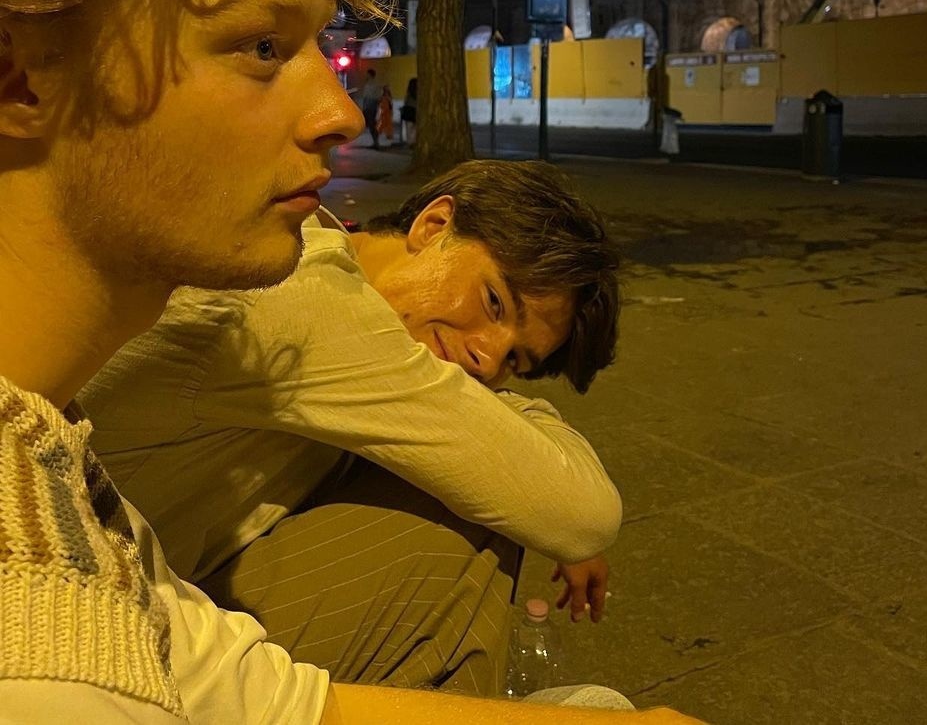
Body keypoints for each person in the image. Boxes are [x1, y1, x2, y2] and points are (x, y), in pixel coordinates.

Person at [0, 0, 705, 725]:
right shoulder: (50, 649)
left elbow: (246, 688)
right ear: (20, 72)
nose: (341, 114)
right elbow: (576, 505)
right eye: (262, 45)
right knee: (461, 521)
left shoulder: (49, 452)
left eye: (517, 361)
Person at [81, 160, 622, 694]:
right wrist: (537, 469)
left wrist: (527, 474)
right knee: (461, 538)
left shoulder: (324, 261)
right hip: (97, 634)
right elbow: (585, 513)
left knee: (478, 488)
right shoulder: (309, 301)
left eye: (515, 361)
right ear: (433, 225)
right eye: (495, 302)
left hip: (141, 580)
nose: (487, 358)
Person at [359, 66, 382, 148]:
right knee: (370, 124)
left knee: (372, 124)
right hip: (367, 105)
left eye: (367, 74)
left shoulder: (374, 84)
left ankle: (376, 143)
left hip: (371, 105)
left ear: (370, 75)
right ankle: (375, 142)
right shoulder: (367, 84)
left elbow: (377, 97)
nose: (366, 76)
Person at [401, 74, 418, 144]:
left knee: (408, 128)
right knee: (415, 128)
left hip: (408, 111)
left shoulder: (409, 92)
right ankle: (414, 141)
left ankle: (410, 142)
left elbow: (405, 101)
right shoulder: (418, 93)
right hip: (415, 110)